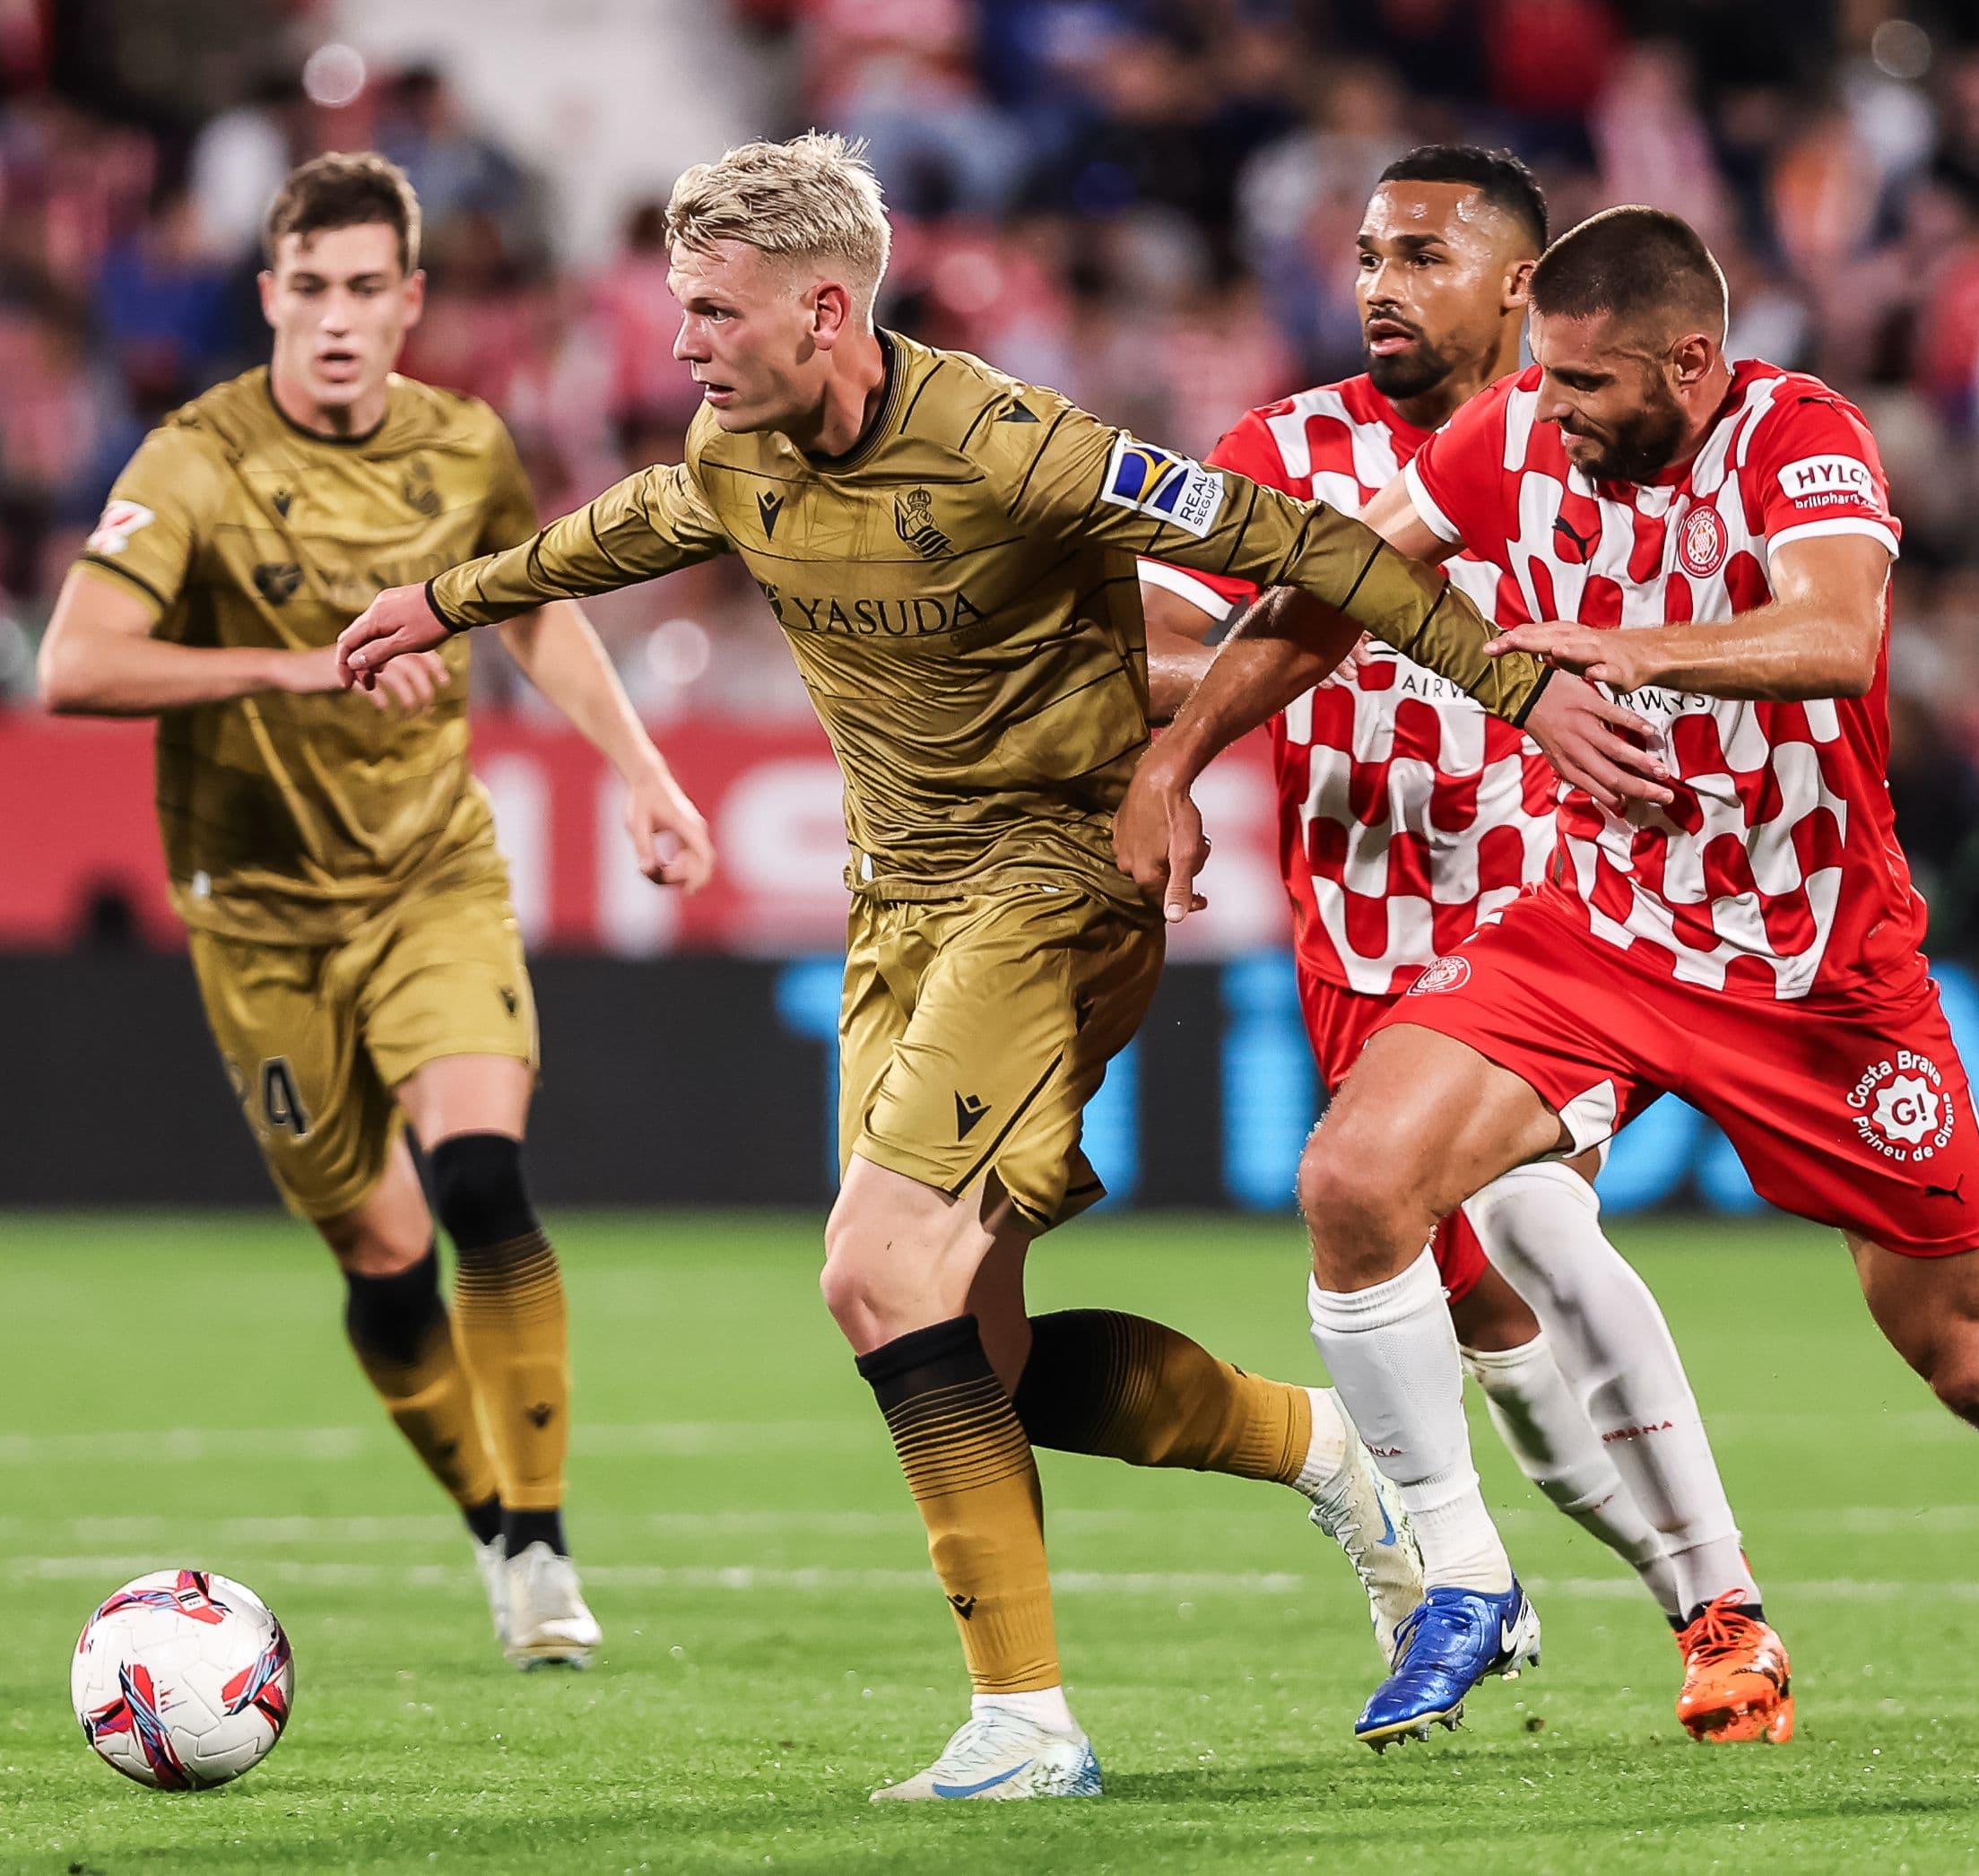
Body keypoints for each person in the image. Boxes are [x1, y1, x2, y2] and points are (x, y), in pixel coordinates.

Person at [336, 134, 1665, 1801]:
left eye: (709, 311)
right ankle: (1331, 1458)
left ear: (824, 310)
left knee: (870, 1275)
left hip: (1052, 886)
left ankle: (1026, 1724)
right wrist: (448, 599)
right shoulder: (733, 442)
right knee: (975, 1348)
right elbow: (654, 517)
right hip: (893, 905)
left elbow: (1303, 549)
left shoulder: (1012, 444)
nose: (678, 341)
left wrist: (1513, 685)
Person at [1117, 204, 1979, 1787]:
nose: (1555, 411)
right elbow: (1333, 592)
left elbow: (1832, 633)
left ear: (1692, 359)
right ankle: (1464, 1577)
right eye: (1543, 377)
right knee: (1354, 1177)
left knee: (1975, 1360)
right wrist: (1170, 762)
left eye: (1592, 385)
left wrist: (1615, 652)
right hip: (1596, 932)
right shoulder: (1507, 439)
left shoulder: (1798, 434)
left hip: (1820, 972)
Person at [1138, 143, 1787, 1744]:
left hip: (1557, 928)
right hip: (1360, 941)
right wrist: (1179, 725)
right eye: (1364, 253)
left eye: (1419, 255)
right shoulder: (1284, 451)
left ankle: (1514, 1584)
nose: (1375, 283)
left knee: (1534, 1228)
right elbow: (1156, 630)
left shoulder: (1599, 447)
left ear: (1519, 283)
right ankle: (1684, 1607)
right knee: (1485, 1313)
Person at [37, 153, 719, 1672]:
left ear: (409, 304)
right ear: (269, 295)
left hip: (432, 879)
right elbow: (71, 665)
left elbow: (531, 604)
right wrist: (293, 662)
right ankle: (488, 1516)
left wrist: (640, 771)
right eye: (310, 290)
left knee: (481, 1178)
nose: (337, 321)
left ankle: (541, 1545)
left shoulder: (462, 447)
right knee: (380, 1255)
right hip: (259, 917)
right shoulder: (192, 461)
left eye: (366, 292)